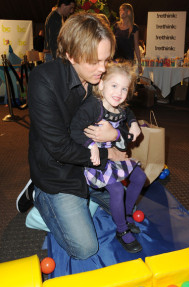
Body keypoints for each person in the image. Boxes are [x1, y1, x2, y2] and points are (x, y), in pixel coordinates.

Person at [19, 12, 134, 260]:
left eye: (106, 59)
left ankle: (84, 201)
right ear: (70, 55)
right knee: (85, 248)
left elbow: (123, 115)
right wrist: (107, 153)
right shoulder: (44, 81)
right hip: (57, 174)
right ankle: (41, 202)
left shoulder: (99, 76)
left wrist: (114, 132)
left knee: (126, 205)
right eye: (95, 61)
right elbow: (59, 147)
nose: (103, 69)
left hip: (89, 168)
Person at [70, 61, 146, 253]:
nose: (118, 93)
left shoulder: (118, 106)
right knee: (118, 191)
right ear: (101, 84)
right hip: (94, 161)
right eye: (114, 86)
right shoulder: (93, 107)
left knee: (139, 177)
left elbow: (127, 112)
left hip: (112, 156)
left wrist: (134, 122)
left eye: (124, 89)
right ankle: (121, 231)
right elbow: (74, 129)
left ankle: (127, 216)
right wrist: (91, 145)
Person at [113, 3, 142, 74]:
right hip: (116, 60)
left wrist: (139, 63)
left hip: (128, 61)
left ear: (128, 12)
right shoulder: (115, 26)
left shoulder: (134, 28)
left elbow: (136, 46)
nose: (120, 12)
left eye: (122, 10)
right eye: (119, 10)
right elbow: (111, 43)